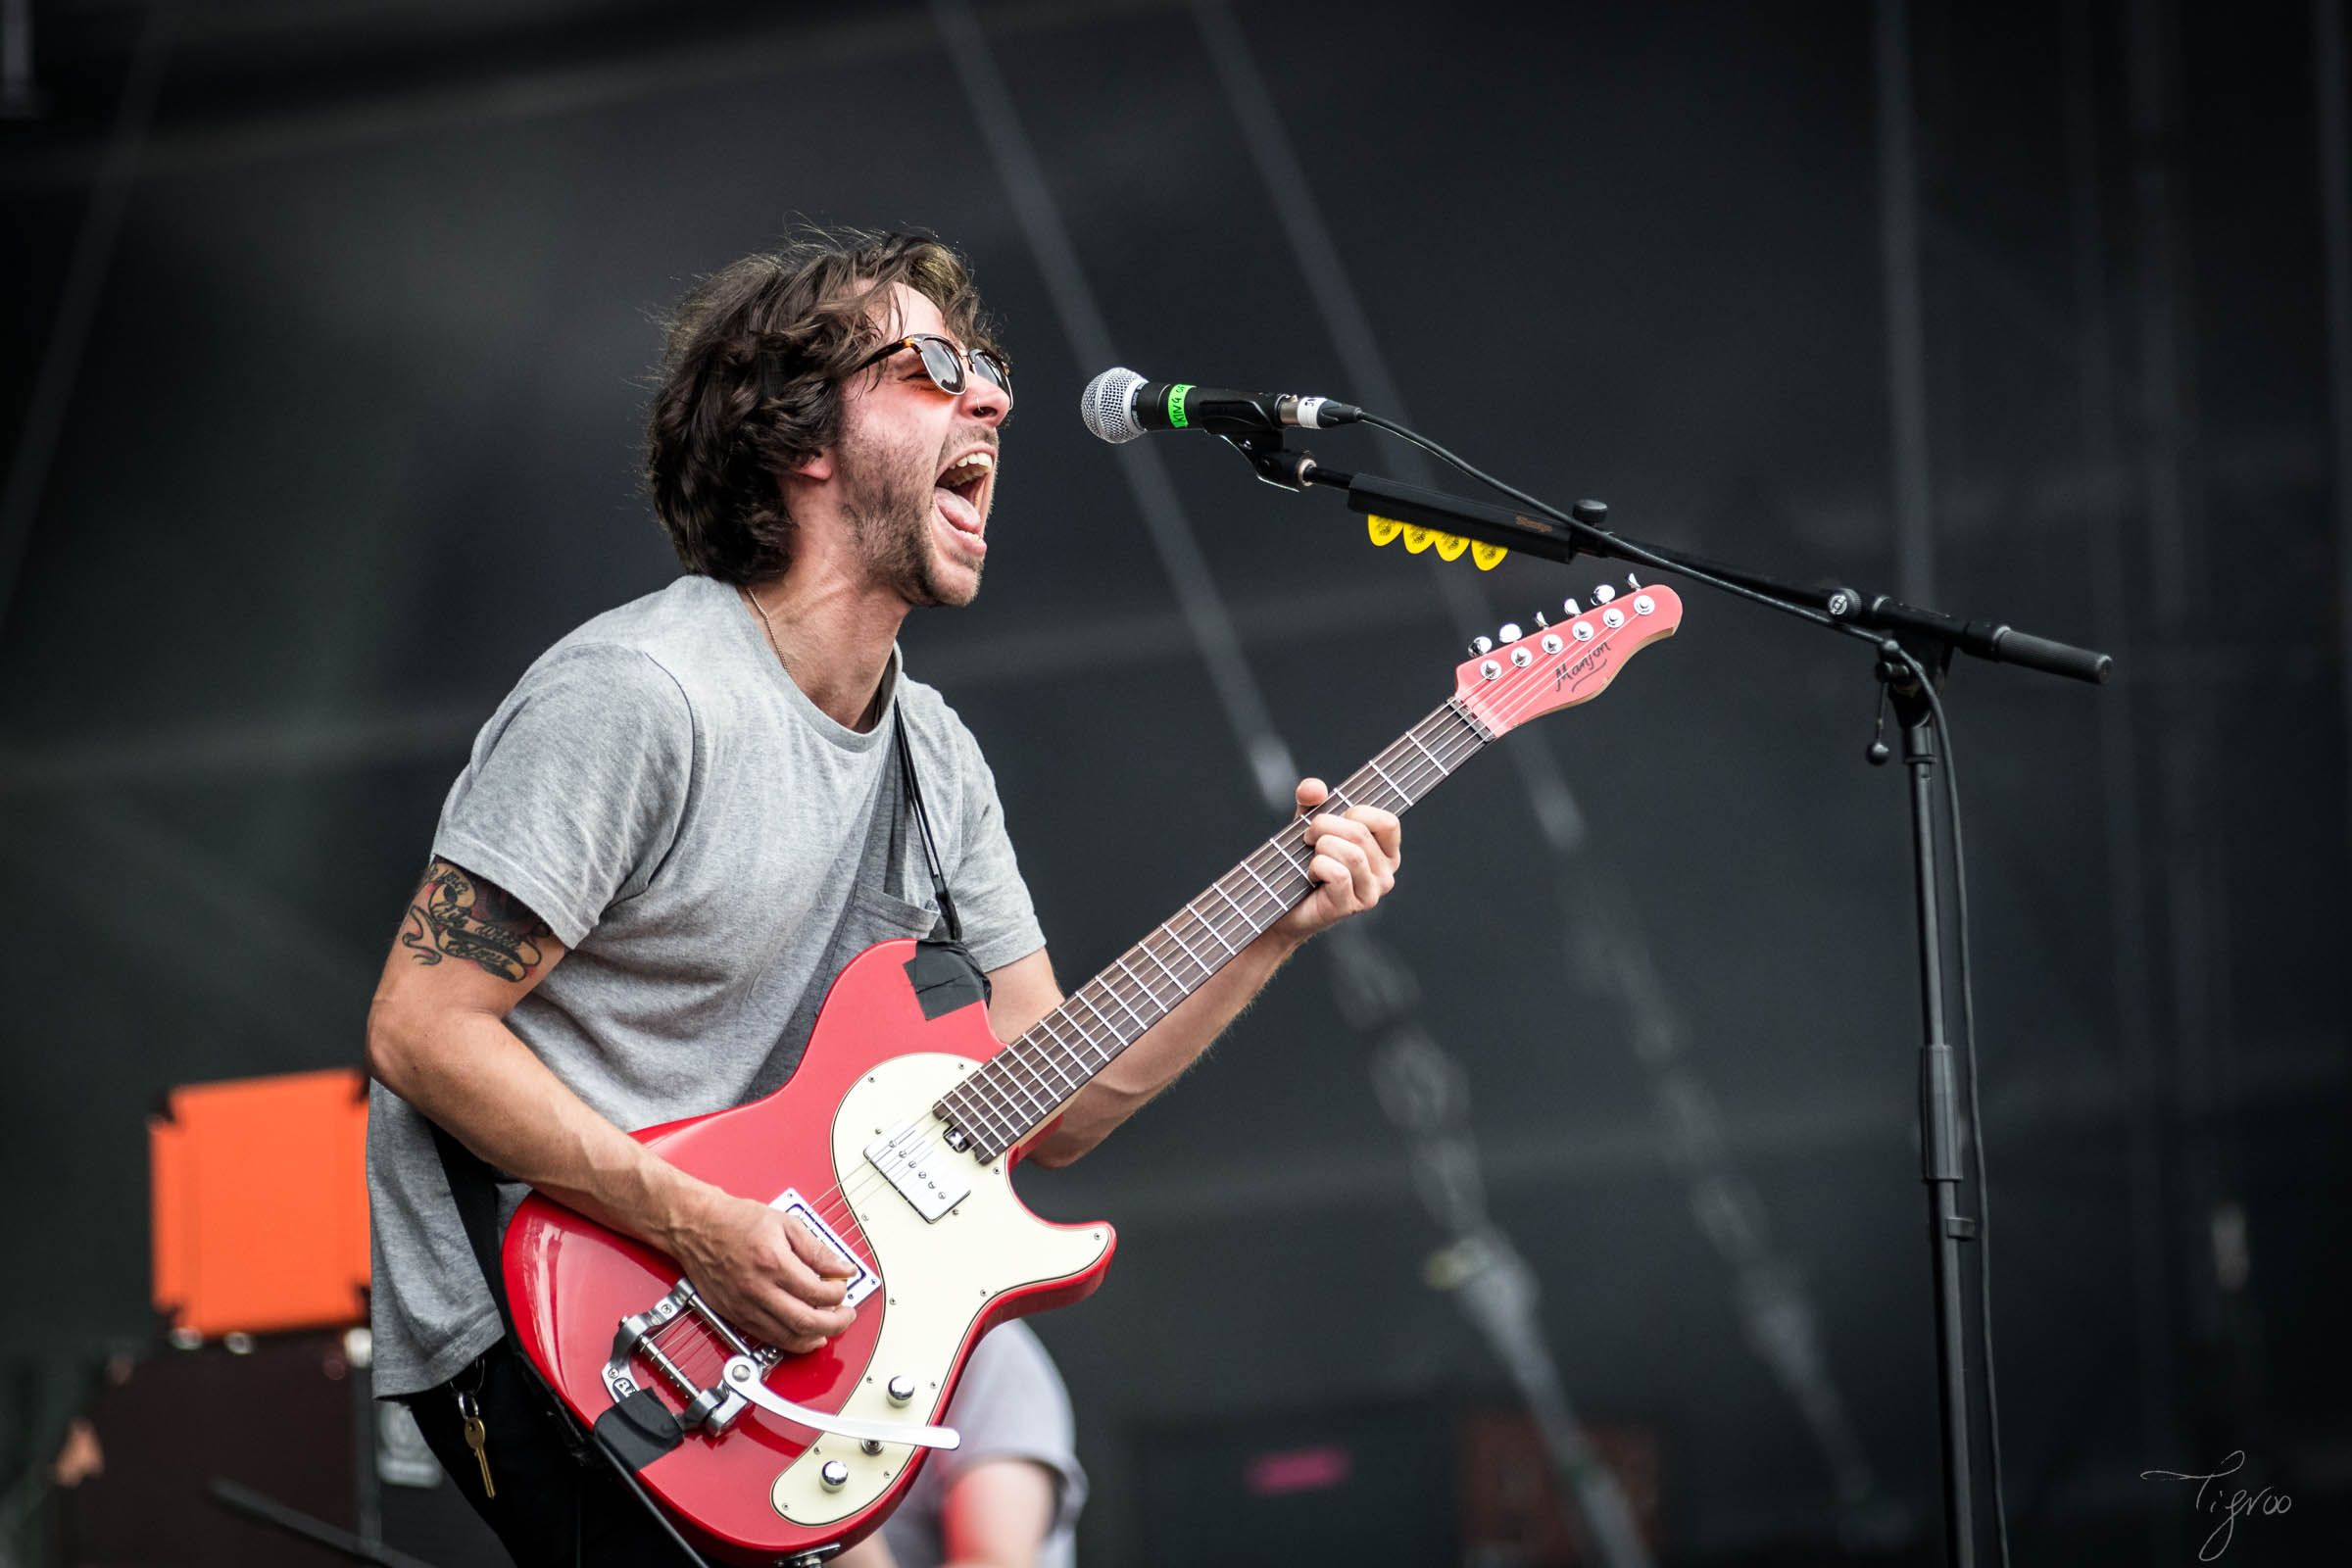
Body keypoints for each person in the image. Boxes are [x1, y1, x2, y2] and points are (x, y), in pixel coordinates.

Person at [362, 227, 1401, 1568]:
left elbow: (1058, 1099)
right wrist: (697, 1224)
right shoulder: (640, 697)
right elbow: (420, 1027)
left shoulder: (938, 757)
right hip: (564, 1315)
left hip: (764, 1318)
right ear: (801, 440)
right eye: (937, 367)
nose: (998, 400)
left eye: (992, 371)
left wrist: (1275, 929)